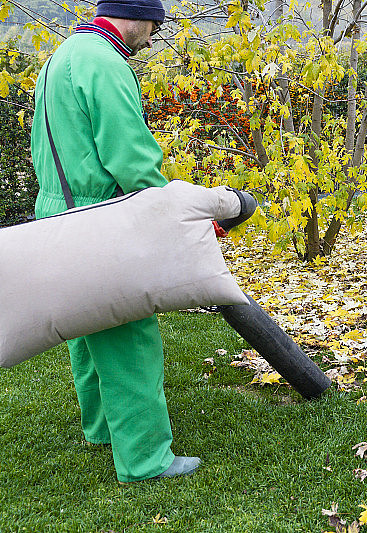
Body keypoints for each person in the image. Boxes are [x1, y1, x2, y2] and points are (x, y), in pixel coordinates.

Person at [30, 0, 200, 482]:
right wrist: (167, 210)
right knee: (128, 335)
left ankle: (103, 427)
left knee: (85, 329)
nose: (151, 40)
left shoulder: (63, 55)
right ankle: (146, 459)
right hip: (98, 218)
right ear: (138, 17)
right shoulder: (106, 63)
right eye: (154, 28)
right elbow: (130, 156)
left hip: (54, 211)